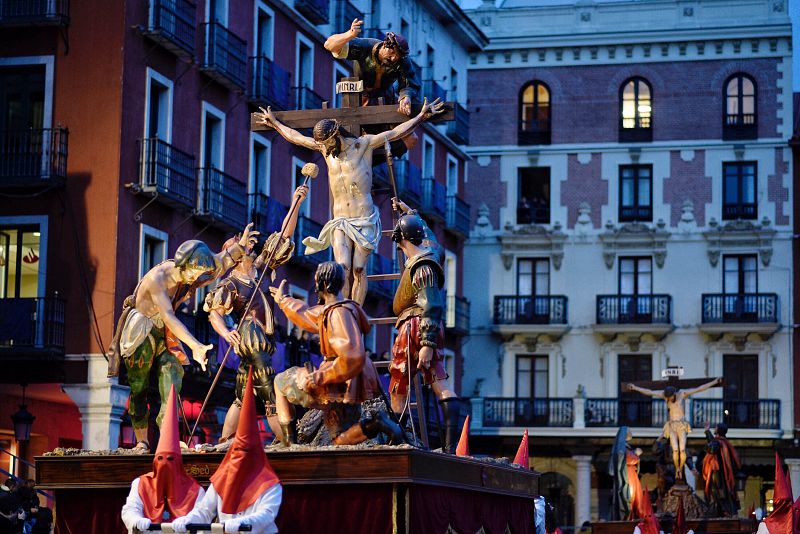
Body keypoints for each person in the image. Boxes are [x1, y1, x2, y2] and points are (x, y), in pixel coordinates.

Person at [255, 98, 444, 304]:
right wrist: (274, 123)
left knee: (359, 269)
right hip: (341, 219)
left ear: (335, 135)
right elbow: (297, 138)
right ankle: (342, 309)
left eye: (327, 142)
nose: (325, 148)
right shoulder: (327, 152)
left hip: (364, 217)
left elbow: (394, 133)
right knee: (342, 268)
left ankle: (356, 311)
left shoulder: (362, 145)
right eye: (322, 144)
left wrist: (420, 117)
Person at [108, 223, 256, 449]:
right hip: (140, 331)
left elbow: (217, 264)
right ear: (185, 266)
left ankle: (167, 437)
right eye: (195, 273)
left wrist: (242, 246)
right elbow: (169, 316)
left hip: (163, 332)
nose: (198, 279)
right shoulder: (158, 279)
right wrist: (195, 346)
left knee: (172, 374)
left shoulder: (187, 273)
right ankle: (141, 442)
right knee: (139, 387)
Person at [204, 185, 308, 447]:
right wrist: (226, 332)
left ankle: (225, 439)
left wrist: (296, 202)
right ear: (234, 256)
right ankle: (287, 441)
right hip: (251, 338)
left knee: (242, 394)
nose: (247, 245)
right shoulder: (231, 284)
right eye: (239, 245)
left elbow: (284, 235)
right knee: (270, 390)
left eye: (246, 243)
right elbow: (215, 312)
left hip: (261, 339)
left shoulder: (261, 268)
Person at [270, 261, 404, 447]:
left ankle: (289, 444)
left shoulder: (337, 315)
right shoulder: (340, 308)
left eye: (317, 282)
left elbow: (351, 356)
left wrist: (318, 376)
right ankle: (376, 424)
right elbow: (307, 315)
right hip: (350, 378)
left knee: (280, 382)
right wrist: (283, 300)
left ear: (322, 284)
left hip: (339, 378)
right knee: (339, 439)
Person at [387, 203, 461, 453]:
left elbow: (431, 303)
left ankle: (397, 440)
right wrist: (411, 213)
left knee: (398, 382)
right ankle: (447, 446)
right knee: (439, 378)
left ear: (402, 240)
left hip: (415, 325)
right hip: (427, 325)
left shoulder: (421, 266)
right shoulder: (431, 253)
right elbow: (431, 239)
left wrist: (427, 344)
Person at [173, 369, 282, 534]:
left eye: (246, 452)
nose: (240, 456)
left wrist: (242, 523)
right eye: (236, 451)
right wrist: (189, 520)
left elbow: (265, 515)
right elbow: (204, 511)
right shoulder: (220, 481)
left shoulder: (270, 484)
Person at [324, 19, 421, 157]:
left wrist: (406, 96)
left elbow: (409, 82)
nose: (394, 58)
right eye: (392, 53)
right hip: (360, 100)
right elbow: (329, 45)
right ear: (385, 45)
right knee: (353, 140)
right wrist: (349, 35)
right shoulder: (365, 47)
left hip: (386, 99)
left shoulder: (402, 62)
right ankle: (362, 159)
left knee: (411, 139)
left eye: (398, 57)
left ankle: (370, 160)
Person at [121, 386, 204, 533]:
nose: (164, 463)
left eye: (170, 459)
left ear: (178, 463)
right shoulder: (141, 484)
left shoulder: (194, 490)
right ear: (154, 462)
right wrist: (137, 520)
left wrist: (188, 521)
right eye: (160, 458)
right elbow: (129, 510)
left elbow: (202, 514)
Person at [626, 377, 721, 479]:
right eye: (668, 398)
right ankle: (678, 470)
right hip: (671, 425)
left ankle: (680, 468)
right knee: (675, 450)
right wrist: (635, 388)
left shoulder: (682, 394)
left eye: (670, 397)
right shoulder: (664, 396)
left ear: (674, 394)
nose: (669, 399)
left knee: (682, 450)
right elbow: (649, 392)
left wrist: (714, 382)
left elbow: (700, 388)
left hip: (681, 424)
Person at [702, 422, 741, 517]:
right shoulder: (724, 442)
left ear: (719, 430)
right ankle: (723, 510)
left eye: (716, 427)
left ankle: (723, 511)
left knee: (717, 492)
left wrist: (707, 431)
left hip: (717, 472)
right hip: (720, 473)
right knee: (720, 493)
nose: (714, 429)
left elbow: (711, 447)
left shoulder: (719, 442)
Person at [610, 427, 642, 520]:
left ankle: (633, 514)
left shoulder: (625, 446)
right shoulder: (621, 447)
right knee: (629, 495)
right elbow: (626, 459)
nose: (631, 433)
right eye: (629, 431)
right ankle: (628, 515)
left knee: (635, 495)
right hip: (627, 474)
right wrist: (636, 454)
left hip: (631, 473)